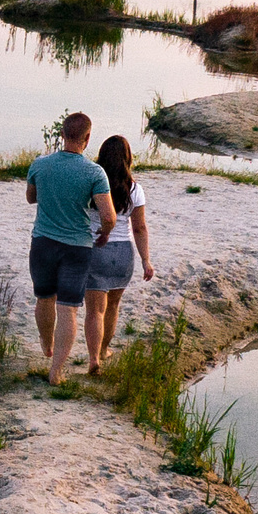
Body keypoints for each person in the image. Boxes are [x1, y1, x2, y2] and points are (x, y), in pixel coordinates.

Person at [24, 112, 117, 383]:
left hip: (43, 242)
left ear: (62, 134)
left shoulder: (40, 164)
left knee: (44, 297)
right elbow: (108, 216)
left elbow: (31, 198)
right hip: (77, 247)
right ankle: (57, 370)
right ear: (87, 138)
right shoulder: (94, 172)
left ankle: (46, 341)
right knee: (68, 308)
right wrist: (105, 233)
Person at [87, 135, 155, 368]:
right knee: (113, 307)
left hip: (97, 249)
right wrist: (146, 260)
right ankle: (104, 350)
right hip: (124, 252)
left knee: (95, 310)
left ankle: (93, 358)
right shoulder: (135, 189)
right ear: (128, 159)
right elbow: (140, 227)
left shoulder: (92, 185)